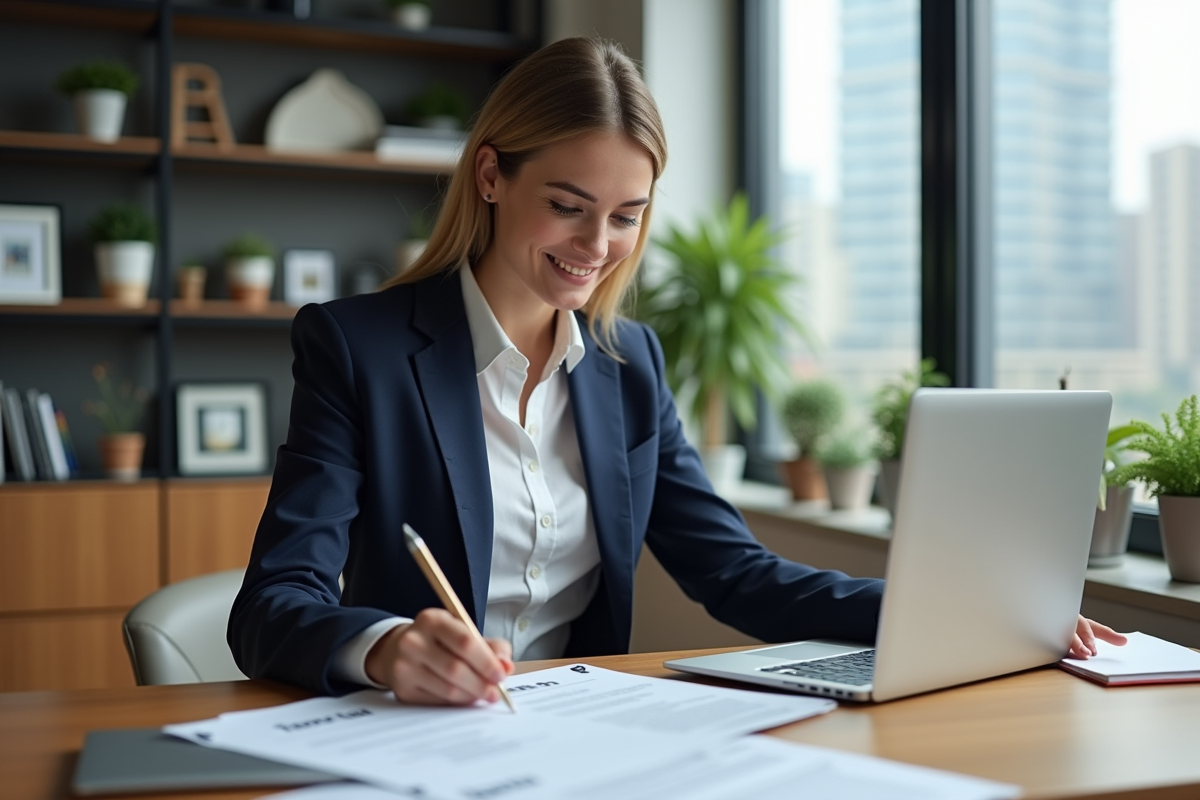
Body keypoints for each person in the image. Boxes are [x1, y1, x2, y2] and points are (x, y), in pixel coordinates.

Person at [228, 37, 1124, 705]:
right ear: (493, 176)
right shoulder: (360, 348)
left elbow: (735, 573)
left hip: (579, 731)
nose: (597, 248)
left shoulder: (628, 366)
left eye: (626, 216)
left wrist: (963, 610)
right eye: (569, 207)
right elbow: (273, 604)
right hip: (410, 735)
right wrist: (387, 647)